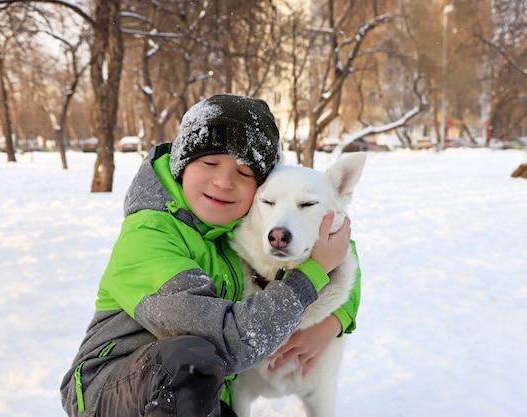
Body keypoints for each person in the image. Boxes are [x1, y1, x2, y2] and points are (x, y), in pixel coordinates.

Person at [60, 94, 361, 417]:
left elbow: (337, 250)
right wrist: (311, 276)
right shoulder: (149, 236)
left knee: (196, 371)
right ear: (182, 164)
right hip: (112, 389)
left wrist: (334, 320)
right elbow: (223, 341)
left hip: (201, 392)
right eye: (209, 162)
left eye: (245, 173)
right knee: (191, 360)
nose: (223, 182)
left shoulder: (238, 223)